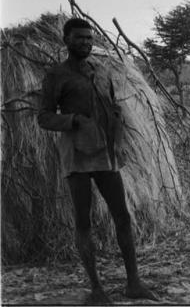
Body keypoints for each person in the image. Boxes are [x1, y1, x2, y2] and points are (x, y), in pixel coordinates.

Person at [38, 18, 158, 304]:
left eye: (89, 38)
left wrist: (118, 138)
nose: (86, 43)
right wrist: (73, 121)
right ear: (66, 40)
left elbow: (113, 106)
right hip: (77, 156)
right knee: (83, 221)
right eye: (79, 38)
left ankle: (133, 283)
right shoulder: (56, 75)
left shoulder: (101, 72)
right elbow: (44, 117)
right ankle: (96, 289)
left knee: (123, 216)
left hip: (105, 154)